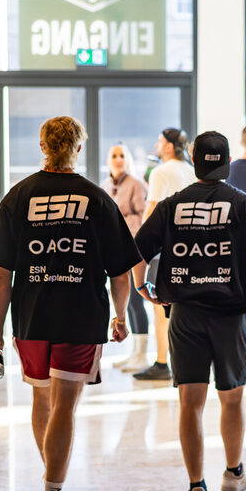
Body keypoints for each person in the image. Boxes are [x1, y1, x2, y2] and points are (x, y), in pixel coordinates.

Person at [0, 116, 141, 491]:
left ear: (42, 145)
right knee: (65, 407)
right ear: (79, 149)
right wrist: (120, 315)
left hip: (31, 319)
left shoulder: (18, 197)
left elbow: (1, 275)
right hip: (80, 315)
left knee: (41, 401)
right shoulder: (96, 198)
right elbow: (121, 273)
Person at [132, 131, 246, 491]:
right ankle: (233, 473)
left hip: (186, 315)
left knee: (189, 403)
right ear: (227, 163)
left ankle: (196, 489)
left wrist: (142, 287)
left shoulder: (171, 206)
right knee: (232, 399)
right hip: (232, 316)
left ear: (195, 163)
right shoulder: (244, 204)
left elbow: (138, 250)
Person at [133, 128, 194, 381]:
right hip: (192, 249)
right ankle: (185, 359)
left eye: (160, 141)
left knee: (160, 307)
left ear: (169, 146)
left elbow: (152, 210)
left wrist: (141, 245)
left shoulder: (160, 172)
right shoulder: (191, 170)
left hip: (165, 248)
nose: (156, 145)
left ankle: (161, 363)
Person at [101, 143, 150, 371]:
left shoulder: (136, 183)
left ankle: (142, 354)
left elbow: (144, 217)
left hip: (134, 248)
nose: (118, 159)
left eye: (122, 155)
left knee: (137, 299)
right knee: (124, 301)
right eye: (114, 155)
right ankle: (133, 352)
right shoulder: (105, 185)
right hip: (114, 248)